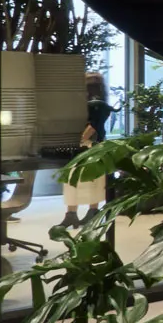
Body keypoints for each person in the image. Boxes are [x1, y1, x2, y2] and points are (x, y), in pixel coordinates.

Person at [59, 73, 115, 227]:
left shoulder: (97, 105)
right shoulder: (95, 104)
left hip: (90, 145)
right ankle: (75, 213)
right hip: (86, 145)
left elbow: (93, 126)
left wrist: (79, 139)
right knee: (76, 179)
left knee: (89, 180)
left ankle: (87, 212)